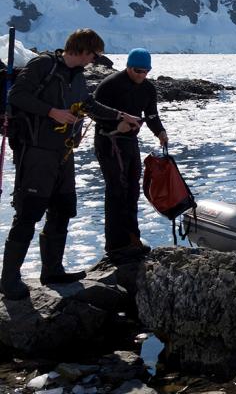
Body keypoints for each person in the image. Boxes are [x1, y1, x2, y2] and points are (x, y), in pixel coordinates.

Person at [1, 29, 141, 300]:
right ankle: (9, 280)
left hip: (63, 154)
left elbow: (89, 105)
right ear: (82, 50)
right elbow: (17, 96)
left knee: (63, 208)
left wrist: (121, 115)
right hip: (36, 152)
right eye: (94, 54)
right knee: (28, 213)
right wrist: (52, 111)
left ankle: (52, 270)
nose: (94, 60)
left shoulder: (77, 76)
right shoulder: (43, 65)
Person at [94, 48, 168, 259]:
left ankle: (131, 238)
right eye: (137, 70)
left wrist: (160, 132)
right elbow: (94, 112)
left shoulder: (147, 89)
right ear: (128, 66)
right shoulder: (110, 85)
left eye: (146, 71)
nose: (141, 75)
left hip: (130, 142)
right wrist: (118, 125)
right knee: (117, 189)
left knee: (132, 190)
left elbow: (151, 114)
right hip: (108, 141)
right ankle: (115, 244)